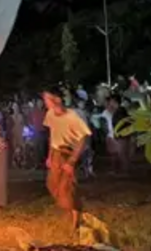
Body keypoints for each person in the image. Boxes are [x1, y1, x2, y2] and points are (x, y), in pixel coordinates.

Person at [42, 87, 92, 230]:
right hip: (56, 153)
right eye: (45, 99)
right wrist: (50, 156)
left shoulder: (72, 116)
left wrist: (71, 161)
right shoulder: (50, 114)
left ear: (57, 99)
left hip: (68, 153)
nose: (46, 102)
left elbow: (83, 138)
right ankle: (69, 209)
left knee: (68, 188)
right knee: (52, 184)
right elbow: (53, 134)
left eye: (48, 98)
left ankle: (75, 219)